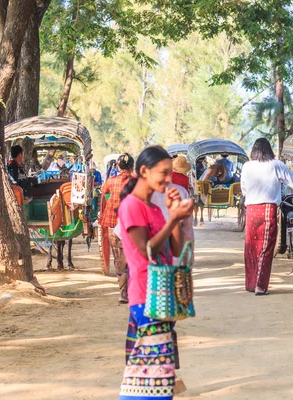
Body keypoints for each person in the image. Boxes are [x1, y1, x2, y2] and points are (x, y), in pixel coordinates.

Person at [117, 146, 193, 400]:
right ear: (143, 171)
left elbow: (176, 249)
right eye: (164, 173)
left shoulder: (153, 208)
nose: (169, 179)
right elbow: (146, 250)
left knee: (154, 378)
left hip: (160, 296)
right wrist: (172, 219)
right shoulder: (131, 206)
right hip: (146, 298)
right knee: (154, 381)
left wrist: (175, 218)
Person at [241, 138, 293, 295]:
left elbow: (244, 189)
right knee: (266, 248)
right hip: (267, 209)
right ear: (269, 150)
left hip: (251, 210)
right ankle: (260, 286)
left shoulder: (246, 166)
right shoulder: (275, 164)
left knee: (251, 247)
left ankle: (250, 284)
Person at [99, 154, 134, 304]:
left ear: (118, 167)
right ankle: (128, 290)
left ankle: (122, 291)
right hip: (132, 223)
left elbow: (103, 191)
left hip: (114, 223)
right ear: (132, 166)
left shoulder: (111, 181)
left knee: (118, 257)